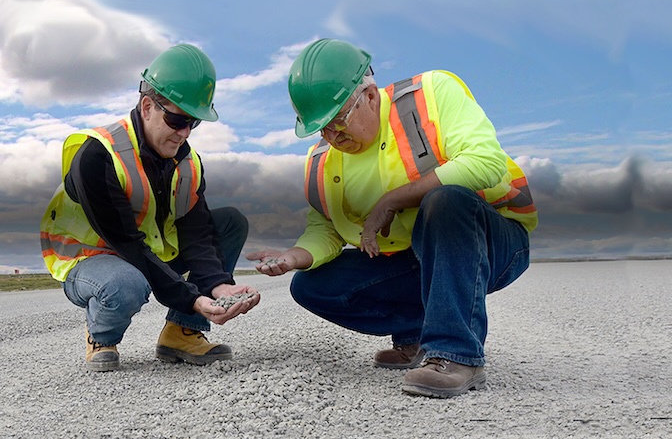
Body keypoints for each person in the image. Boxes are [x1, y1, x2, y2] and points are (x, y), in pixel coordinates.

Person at [248, 38, 537, 398]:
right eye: (320, 128)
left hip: (493, 243)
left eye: (338, 120)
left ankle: (456, 354)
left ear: (369, 96)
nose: (331, 136)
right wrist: (292, 257)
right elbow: (326, 229)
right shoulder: (323, 160)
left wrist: (394, 200)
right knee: (311, 286)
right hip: (418, 260)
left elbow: (486, 162)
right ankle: (418, 335)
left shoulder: (430, 95)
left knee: (445, 201)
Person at [40, 44, 260, 372]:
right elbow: (128, 245)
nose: (184, 133)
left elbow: (198, 234)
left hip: (146, 251)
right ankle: (102, 335)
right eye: (176, 119)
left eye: (193, 123)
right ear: (147, 106)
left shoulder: (188, 163)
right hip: (94, 258)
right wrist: (193, 298)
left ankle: (182, 332)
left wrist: (217, 285)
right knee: (127, 283)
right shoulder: (98, 155)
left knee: (230, 222)